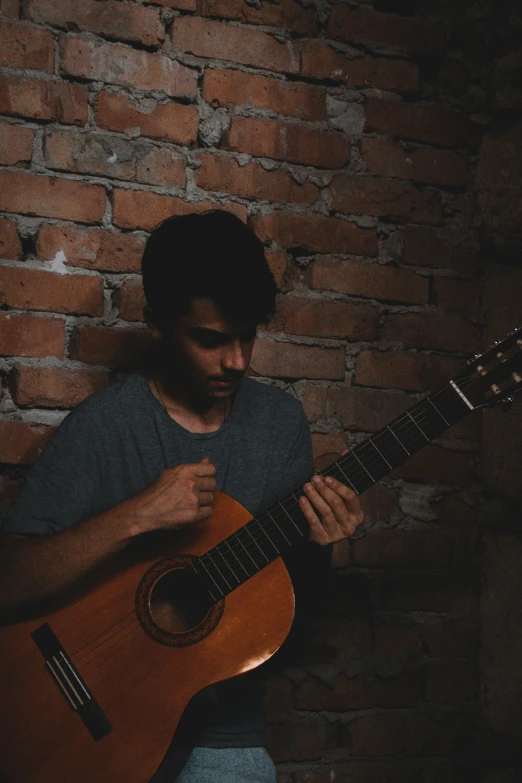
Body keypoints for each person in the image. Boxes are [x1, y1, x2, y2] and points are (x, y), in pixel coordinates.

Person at [0, 210, 364, 782]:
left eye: (248, 337)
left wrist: (322, 547)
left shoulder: (278, 424)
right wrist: (136, 515)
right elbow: (9, 581)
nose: (237, 361)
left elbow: (285, 625)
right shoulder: (104, 426)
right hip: (84, 731)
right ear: (157, 324)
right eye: (211, 340)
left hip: (221, 735)